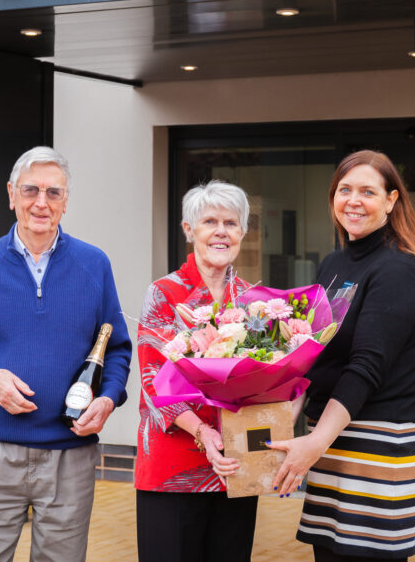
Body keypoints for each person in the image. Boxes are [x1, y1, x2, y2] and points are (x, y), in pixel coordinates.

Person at [0, 146, 132, 562]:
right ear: (11, 194)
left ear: (65, 202)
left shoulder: (94, 264)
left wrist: (109, 398)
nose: (41, 202)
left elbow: (115, 347)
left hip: (70, 457)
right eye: (31, 190)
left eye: (53, 193)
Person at [268, 150, 415, 561]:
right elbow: (312, 356)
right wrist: (285, 424)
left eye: (368, 191)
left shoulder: (400, 270)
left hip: (378, 445)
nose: (354, 200)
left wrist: (313, 443)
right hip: (332, 439)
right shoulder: (333, 264)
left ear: (391, 201)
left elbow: (366, 367)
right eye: (344, 190)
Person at [134, 180, 258, 562]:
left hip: (235, 465)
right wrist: (204, 432)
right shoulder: (164, 293)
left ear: (242, 232)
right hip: (174, 465)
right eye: (209, 222)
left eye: (231, 223)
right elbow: (154, 382)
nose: (221, 231)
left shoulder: (255, 301)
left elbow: (265, 384)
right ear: (189, 230)